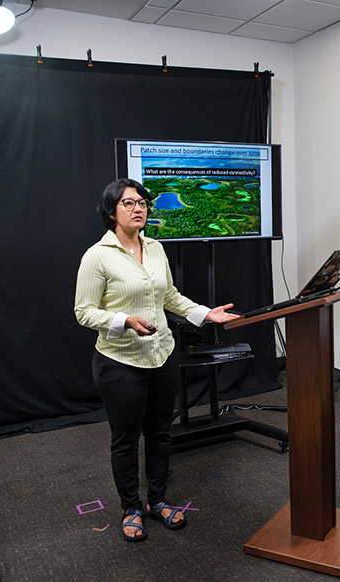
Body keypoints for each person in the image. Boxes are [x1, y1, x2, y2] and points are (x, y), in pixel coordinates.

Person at [74, 178, 239, 542]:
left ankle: (158, 500)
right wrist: (124, 321)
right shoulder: (97, 256)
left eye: (143, 203)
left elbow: (171, 296)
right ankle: (131, 508)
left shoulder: (157, 248)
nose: (138, 209)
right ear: (111, 211)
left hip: (162, 355)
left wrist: (205, 314)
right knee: (126, 440)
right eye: (129, 203)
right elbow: (83, 312)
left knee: (160, 434)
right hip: (120, 362)